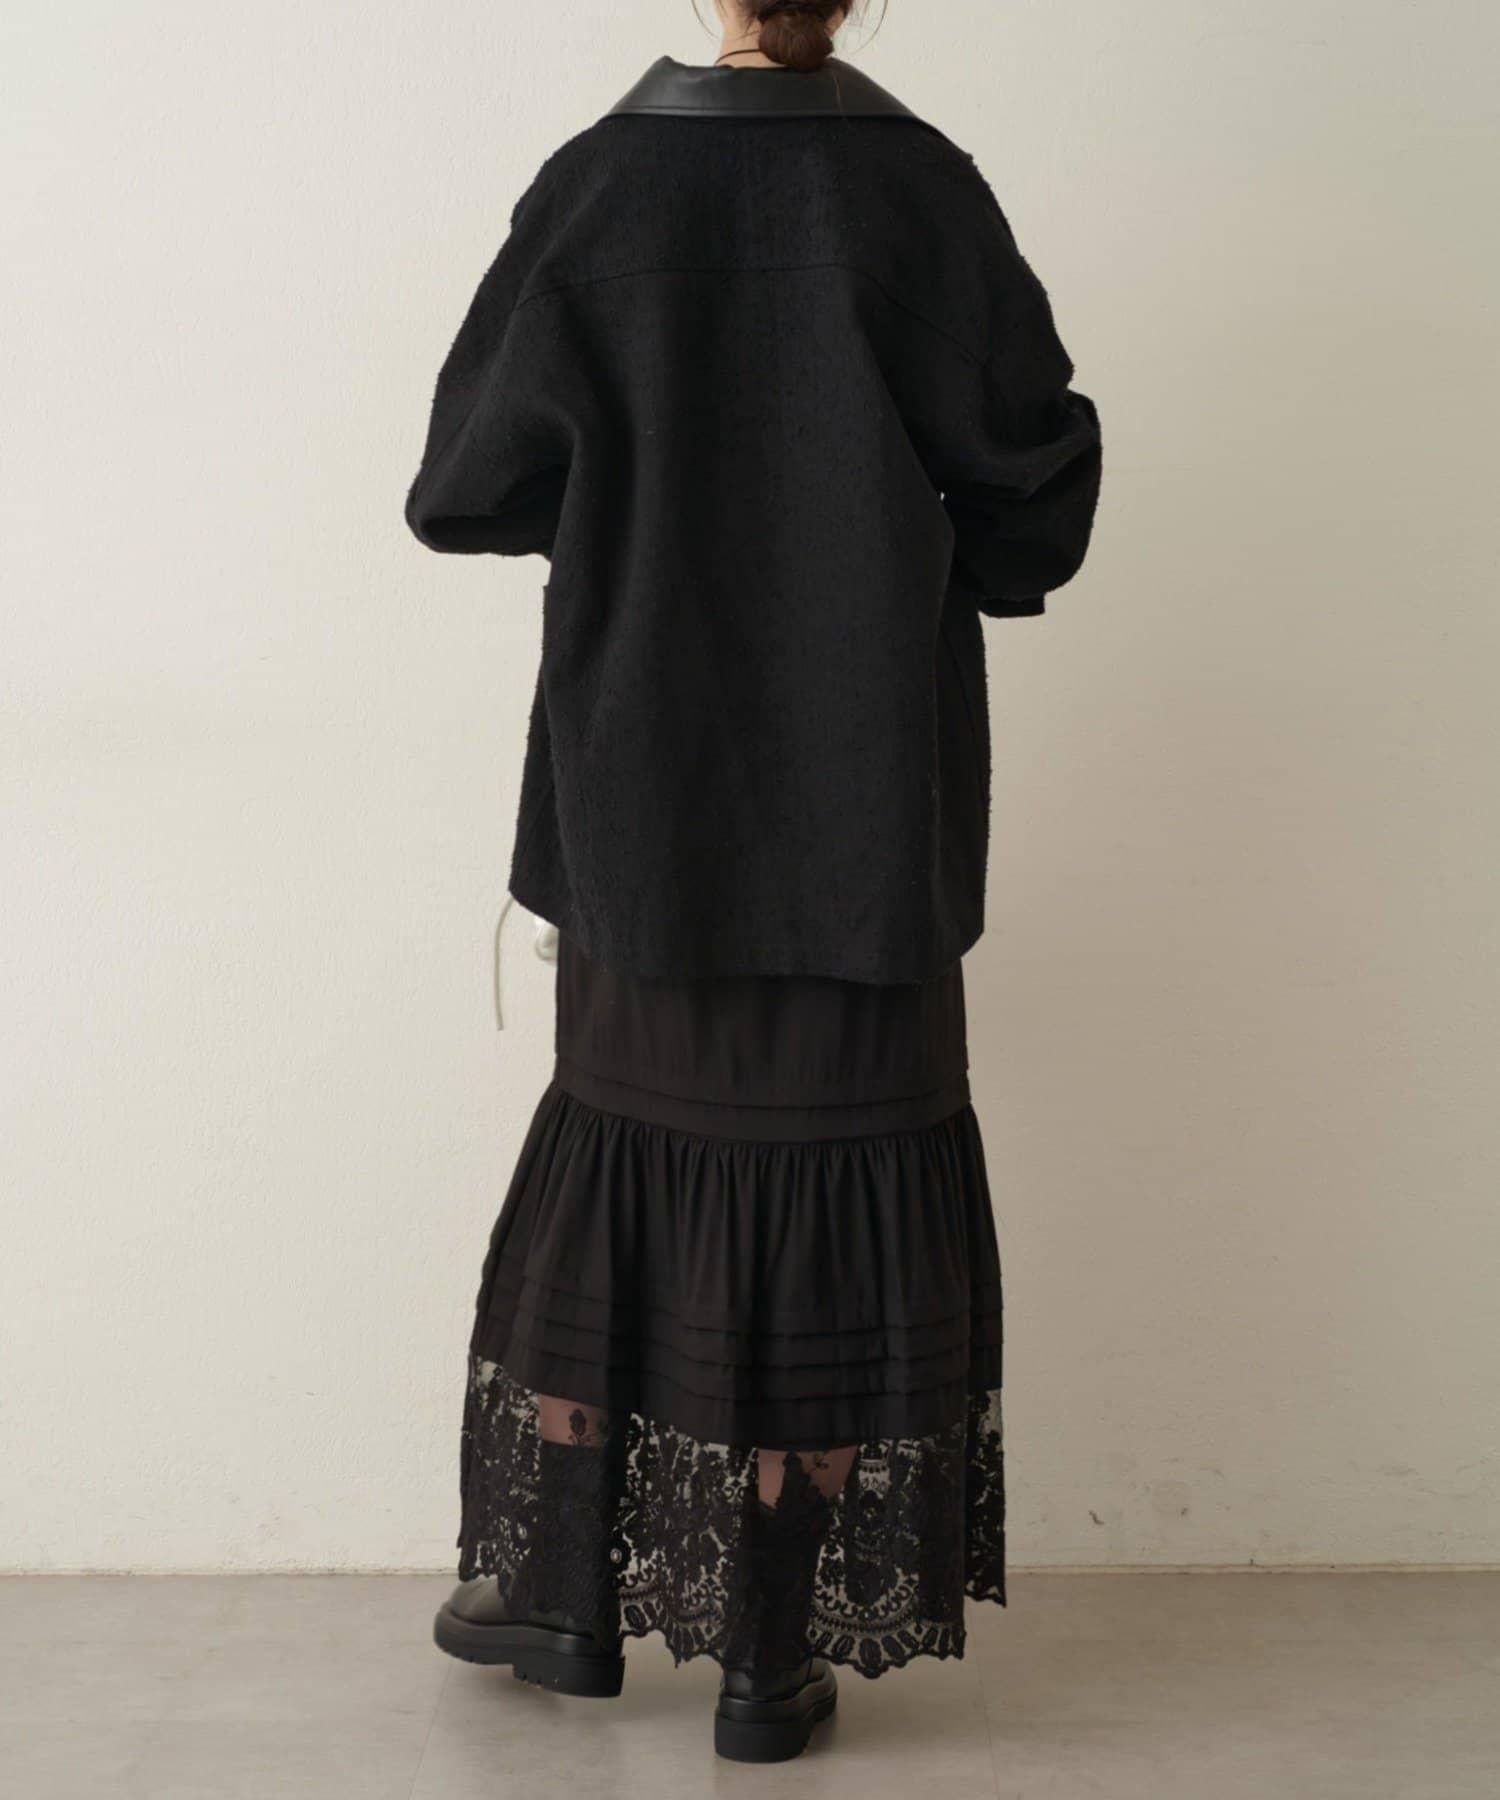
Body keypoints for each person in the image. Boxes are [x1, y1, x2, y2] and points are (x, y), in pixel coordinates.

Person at [404, 0, 1101, 1763]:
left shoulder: (599, 188)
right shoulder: (920, 191)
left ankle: (568, 1601)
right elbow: (1037, 501)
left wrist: (642, 501)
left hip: (645, 784)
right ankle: (766, 1660)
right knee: (840, 1204)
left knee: (622, 1169)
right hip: (865, 805)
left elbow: (465, 485)